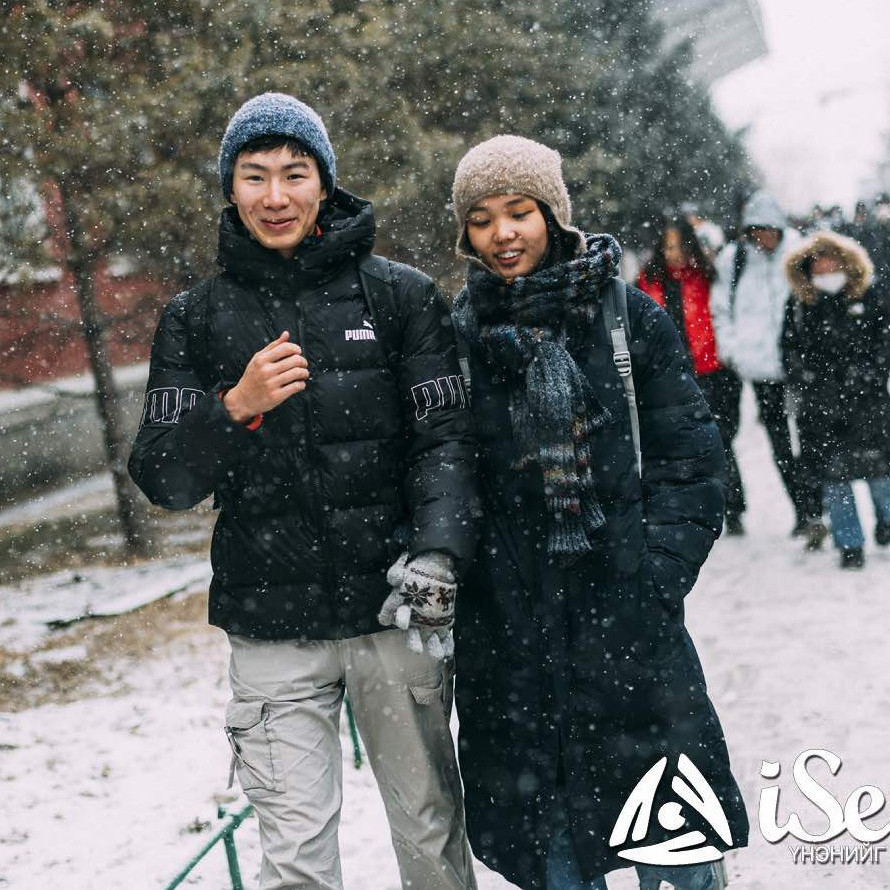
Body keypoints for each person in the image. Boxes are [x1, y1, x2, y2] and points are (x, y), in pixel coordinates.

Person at [128, 92, 480, 890]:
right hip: (270, 628)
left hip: (393, 612)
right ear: (231, 188)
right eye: (254, 176)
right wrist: (234, 407)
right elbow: (163, 476)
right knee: (294, 861)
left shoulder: (399, 297)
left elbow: (446, 442)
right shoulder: (193, 318)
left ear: (325, 182)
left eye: (295, 173)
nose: (276, 196)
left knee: (429, 834)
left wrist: (437, 553)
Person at [449, 135, 748, 890]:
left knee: (674, 842)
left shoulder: (625, 318)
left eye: (519, 211)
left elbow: (692, 462)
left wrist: (654, 578)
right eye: (481, 219)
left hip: (628, 622)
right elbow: (445, 473)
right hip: (514, 636)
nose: (502, 233)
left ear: (553, 214)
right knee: (555, 846)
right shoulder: (458, 337)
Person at [783, 231, 890, 569]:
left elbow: (884, 341)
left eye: (830, 261)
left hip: (868, 403)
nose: (825, 268)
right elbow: (789, 348)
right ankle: (850, 545)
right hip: (821, 408)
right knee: (835, 479)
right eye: (817, 263)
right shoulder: (801, 303)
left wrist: (869, 374)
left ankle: (886, 523)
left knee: (880, 474)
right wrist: (807, 378)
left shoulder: (869, 296)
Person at [710, 190, 810, 538]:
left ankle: (811, 509)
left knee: (809, 440)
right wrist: (733, 351)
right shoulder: (735, 259)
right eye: (756, 230)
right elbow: (720, 308)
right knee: (778, 441)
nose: (763, 237)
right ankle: (801, 510)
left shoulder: (799, 253)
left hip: (795, 364)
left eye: (768, 230)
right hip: (753, 364)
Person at [637, 218, 744, 525]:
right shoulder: (647, 280)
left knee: (719, 440)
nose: (674, 253)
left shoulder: (706, 276)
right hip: (667, 374)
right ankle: (696, 505)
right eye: (668, 247)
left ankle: (732, 505)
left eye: (679, 246)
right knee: (679, 445)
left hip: (709, 370)